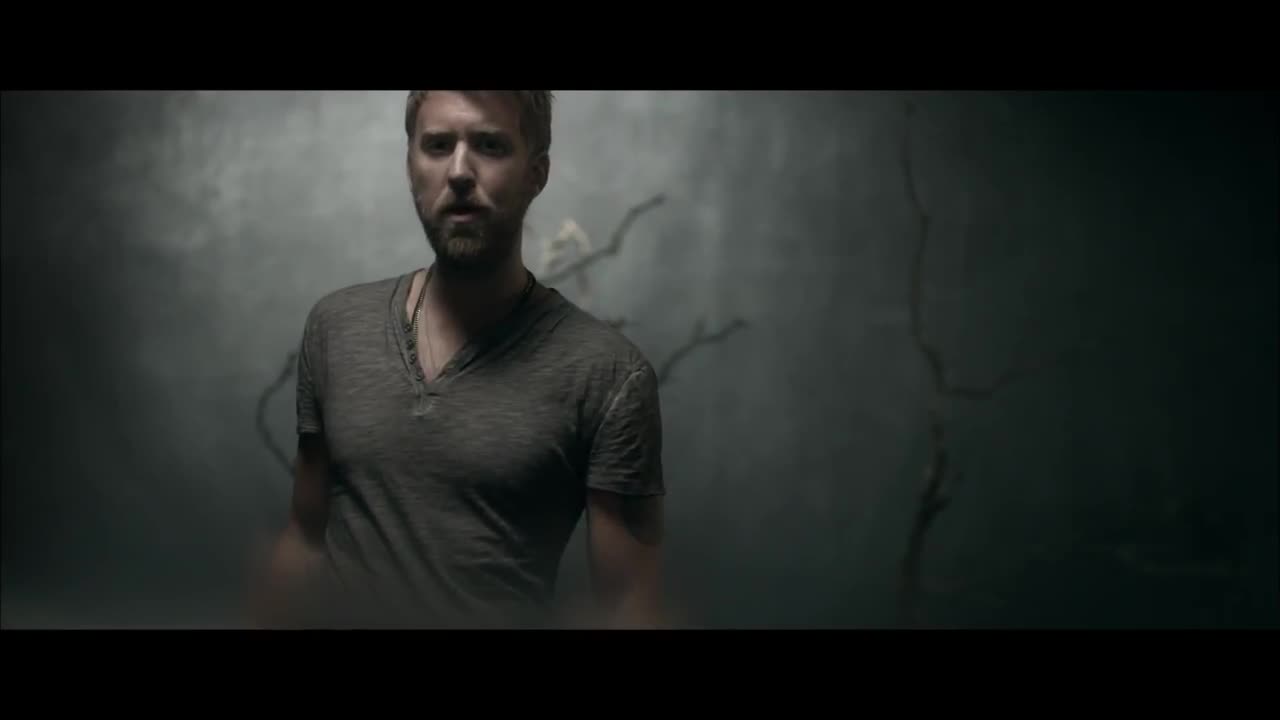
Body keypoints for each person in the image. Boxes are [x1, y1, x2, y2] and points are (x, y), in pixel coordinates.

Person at [251, 91, 666, 629]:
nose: (460, 172)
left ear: (536, 174)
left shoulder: (608, 373)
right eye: (438, 145)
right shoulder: (336, 327)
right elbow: (304, 539)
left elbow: (629, 603)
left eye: (490, 145)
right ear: (410, 166)